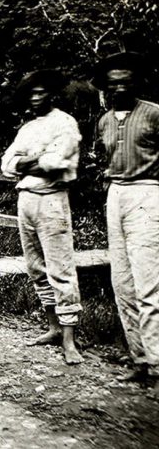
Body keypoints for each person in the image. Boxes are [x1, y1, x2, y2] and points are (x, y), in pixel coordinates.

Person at [1, 70, 83, 365]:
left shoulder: (65, 123)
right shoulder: (28, 128)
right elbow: (7, 164)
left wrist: (27, 163)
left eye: (42, 92)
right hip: (27, 200)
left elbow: (56, 163)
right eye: (32, 93)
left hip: (52, 200)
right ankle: (53, 328)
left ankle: (70, 340)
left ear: (52, 94)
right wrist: (33, 161)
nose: (36, 98)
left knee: (60, 267)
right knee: (35, 266)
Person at [94, 52, 159, 388]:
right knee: (122, 281)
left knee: (149, 283)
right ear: (106, 86)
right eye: (113, 82)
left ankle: (158, 364)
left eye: (126, 81)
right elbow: (103, 159)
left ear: (137, 82)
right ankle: (139, 359)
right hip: (115, 194)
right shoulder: (104, 120)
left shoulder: (153, 114)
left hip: (148, 194)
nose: (119, 87)